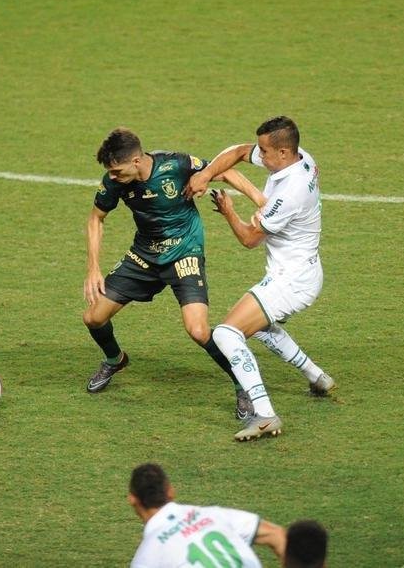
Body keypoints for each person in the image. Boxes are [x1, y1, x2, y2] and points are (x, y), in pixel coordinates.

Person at [83, 127, 262, 421]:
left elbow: (224, 171)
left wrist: (260, 199)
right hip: (143, 256)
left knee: (198, 330)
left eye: (117, 171)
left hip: (184, 254)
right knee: (93, 317)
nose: (112, 177)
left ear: (137, 161)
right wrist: (93, 267)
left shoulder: (175, 164)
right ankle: (115, 359)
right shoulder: (114, 182)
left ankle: (244, 385)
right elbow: (96, 218)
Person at [184, 116, 334, 442]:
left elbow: (251, 239)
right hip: (303, 270)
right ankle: (317, 377)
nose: (259, 157)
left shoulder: (290, 193)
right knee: (259, 326)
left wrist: (228, 211)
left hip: (291, 280)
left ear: (283, 152)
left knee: (226, 334)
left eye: (265, 153)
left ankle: (265, 415)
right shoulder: (299, 157)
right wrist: (206, 174)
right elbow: (238, 152)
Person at [127, 462, 286, 568]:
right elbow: (276, 534)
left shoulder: (146, 558)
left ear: (133, 500)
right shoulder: (214, 515)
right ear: (171, 491)